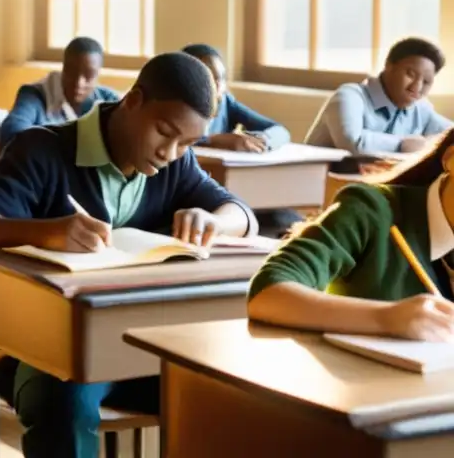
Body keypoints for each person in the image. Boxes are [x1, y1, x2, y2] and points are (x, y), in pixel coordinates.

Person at [0, 52, 257, 458]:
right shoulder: (42, 150)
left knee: (237, 392)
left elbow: (243, 215)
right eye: (164, 132)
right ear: (132, 101)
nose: (171, 152)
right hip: (45, 347)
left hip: (140, 342)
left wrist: (215, 222)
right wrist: (47, 232)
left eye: (188, 142)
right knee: (66, 403)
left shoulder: (176, 166)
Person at [248, 129, 454, 340]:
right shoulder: (371, 209)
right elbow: (267, 292)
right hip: (356, 371)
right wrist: (386, 317)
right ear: (451, 160)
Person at [305, 37, 452, 154]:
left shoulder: (421, 108)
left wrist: (429, 144)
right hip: (320, 185)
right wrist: (404, 144)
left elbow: (449, 134)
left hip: (374, 186)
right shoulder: (349, 96)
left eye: (426, 81)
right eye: (410, 74)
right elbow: (352, 143)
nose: (417, 87)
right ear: (389, 65)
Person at [0, 37, 118, 151]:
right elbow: (11, 134)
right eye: (71, 72)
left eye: (89, 75)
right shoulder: (35, 95)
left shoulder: (108, 100)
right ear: (63, 69)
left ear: (98, 76)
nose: (79, 83)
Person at [182, 43, 290, 152]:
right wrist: (211, 140)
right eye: (209, 77)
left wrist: (261, 139)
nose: (218, 85)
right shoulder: (176, 105)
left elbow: (280, 131)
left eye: (221, 77)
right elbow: (174, 139)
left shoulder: (226, 103)